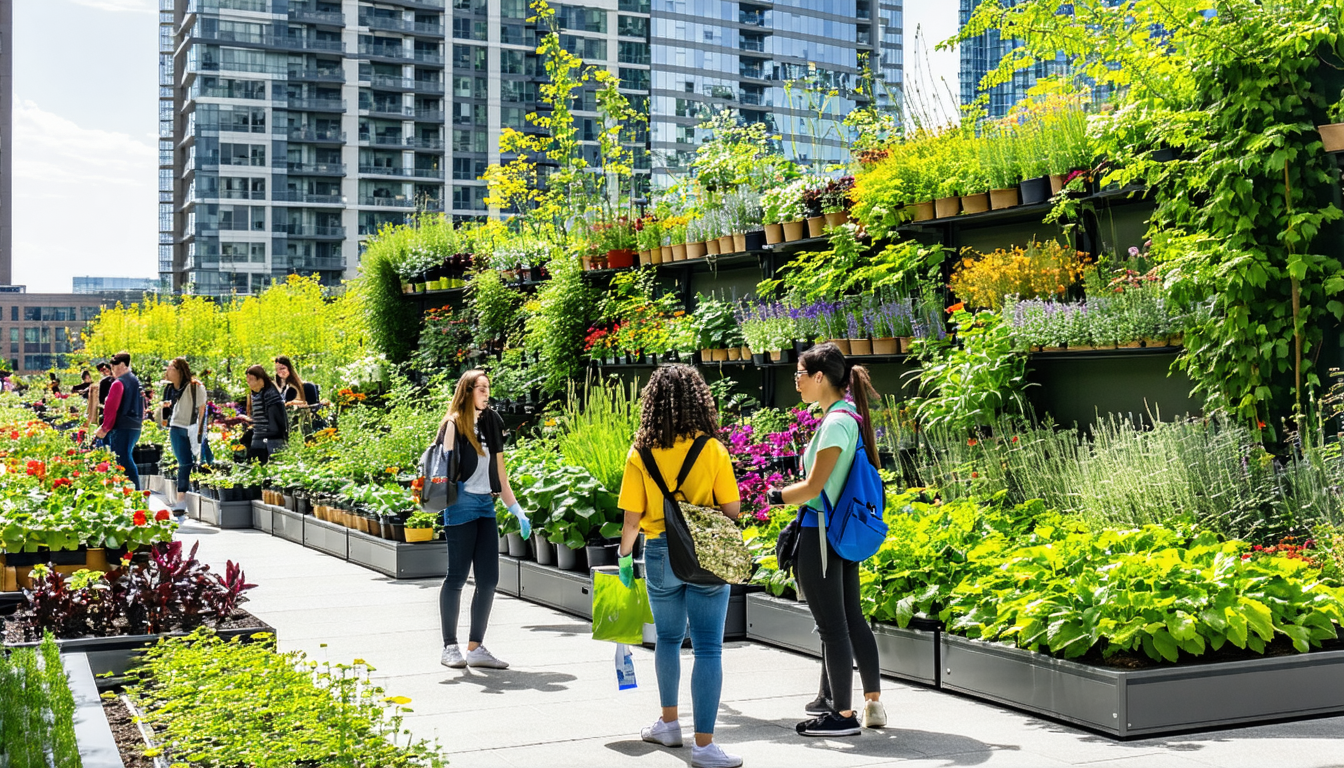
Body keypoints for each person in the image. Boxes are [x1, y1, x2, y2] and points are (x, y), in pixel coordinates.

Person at [616, 365, 743, 768]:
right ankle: (703, 746)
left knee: (668, 640)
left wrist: (623, 560)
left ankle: (668, 724)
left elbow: (631, 520)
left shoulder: (639, 452)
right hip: (705, 555)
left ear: (651, 404)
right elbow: (732, 509)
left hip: (657, 553)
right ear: (697, 401)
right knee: (708, 647)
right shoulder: (713, 449)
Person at [765, 342, 885, 737]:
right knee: (851, 618)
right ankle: (871, 702)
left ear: (820, 378)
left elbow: (814, 486)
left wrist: (776, 496)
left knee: (833, 627)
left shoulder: (835, 423)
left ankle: (843, 716)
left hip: (820, 532)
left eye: (800, 374)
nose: (796, 381)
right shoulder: (848, 416)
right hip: (840, 529)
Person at [436, 369, 528, 671]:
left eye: (488, 388)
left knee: (489, 579)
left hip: (486, 504)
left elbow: (500, 473)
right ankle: (450, 646)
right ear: (467, 391)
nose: (487, 394)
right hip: (460, 503)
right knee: (458, 576)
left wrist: (516, 509)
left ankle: (475, 647)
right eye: (481, 388)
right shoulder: (452, 424)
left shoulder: (492, 422)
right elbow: (443, 472)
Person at [160, 358, 208, 516]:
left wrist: (201, 432)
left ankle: (187, 496)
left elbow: (202, 410)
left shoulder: (195, 387)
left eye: (170, 368)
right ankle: (181, 498)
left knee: (195, 461)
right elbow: (165, 408)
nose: (167, 371)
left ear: (179, 370)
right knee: (184, 463)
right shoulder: (168, 389)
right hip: (175, 428)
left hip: (191, 428)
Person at [93, 352, 145, 490]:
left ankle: (134, 492)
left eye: (114, 365)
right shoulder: (135, 381)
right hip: (135, 425)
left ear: (122, 365)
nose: (112, 369)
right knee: (126, 456)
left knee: (122, 459)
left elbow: (111, 408)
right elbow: (143, 405)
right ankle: (133, 491)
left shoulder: (119, 383)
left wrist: (104, 428)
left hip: (122, 426)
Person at [243, 365, 287, 464]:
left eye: (251, 379)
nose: (248, 381)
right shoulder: (255, 394)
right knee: (256, 468)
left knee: (276, 466)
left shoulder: (270, 394)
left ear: (260, 379)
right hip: (259, 436)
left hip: (272, 439)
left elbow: (276, 420)